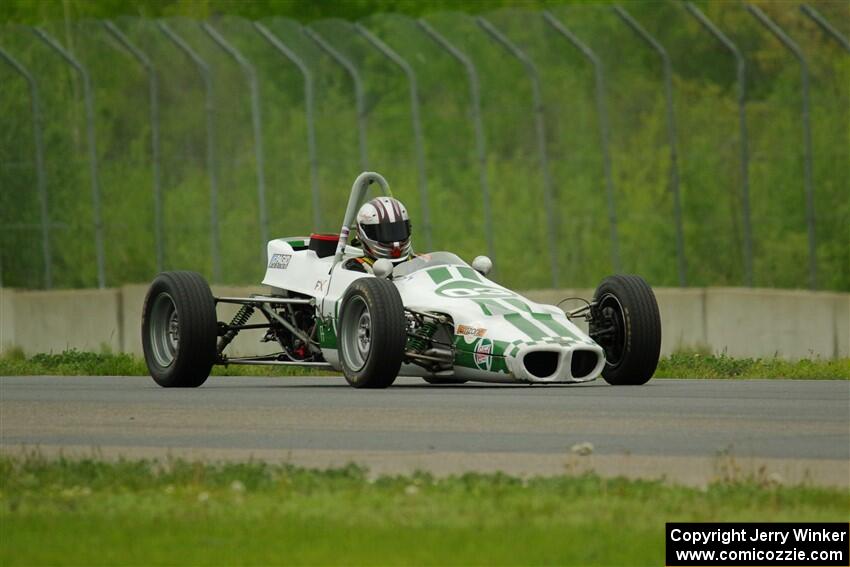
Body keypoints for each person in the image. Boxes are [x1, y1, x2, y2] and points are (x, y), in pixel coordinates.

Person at [345, 196, 413, 273]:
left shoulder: (418, 261)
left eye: (398, 231)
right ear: (363, 232)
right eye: (385, 233)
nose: (395, 243)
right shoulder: (357, 267)